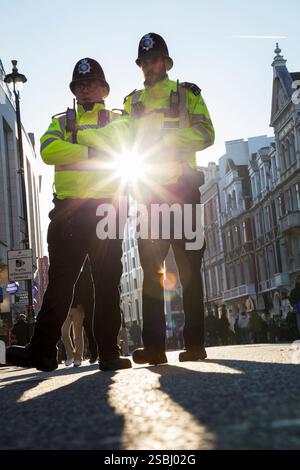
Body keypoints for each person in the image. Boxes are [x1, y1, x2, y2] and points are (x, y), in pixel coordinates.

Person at [6, 58, 131, 372]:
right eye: (80, 85)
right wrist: (93, 151)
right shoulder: (60, 121)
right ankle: (42, 351)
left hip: (106, 207)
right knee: (61, 283)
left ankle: (108, 351)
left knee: (107, 282)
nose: (86, 90)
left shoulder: (119, 119)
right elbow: (48, 151)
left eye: (92, 85)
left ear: (104, 89)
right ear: (75, 91)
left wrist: (75, 142)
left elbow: (121, 146)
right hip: (69, 212)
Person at [123, 33, 215, 365]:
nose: (149, 66)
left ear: (166, 63)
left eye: (155, 60)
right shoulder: (131, 102)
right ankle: (155, 348)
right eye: (144, 62)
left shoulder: (186, 94)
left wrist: (170, 137)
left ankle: (195, 344)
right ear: (141, 66)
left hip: (183, 191)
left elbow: (207, 133)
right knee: (151, 272)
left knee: (190, 268)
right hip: (149, 195)